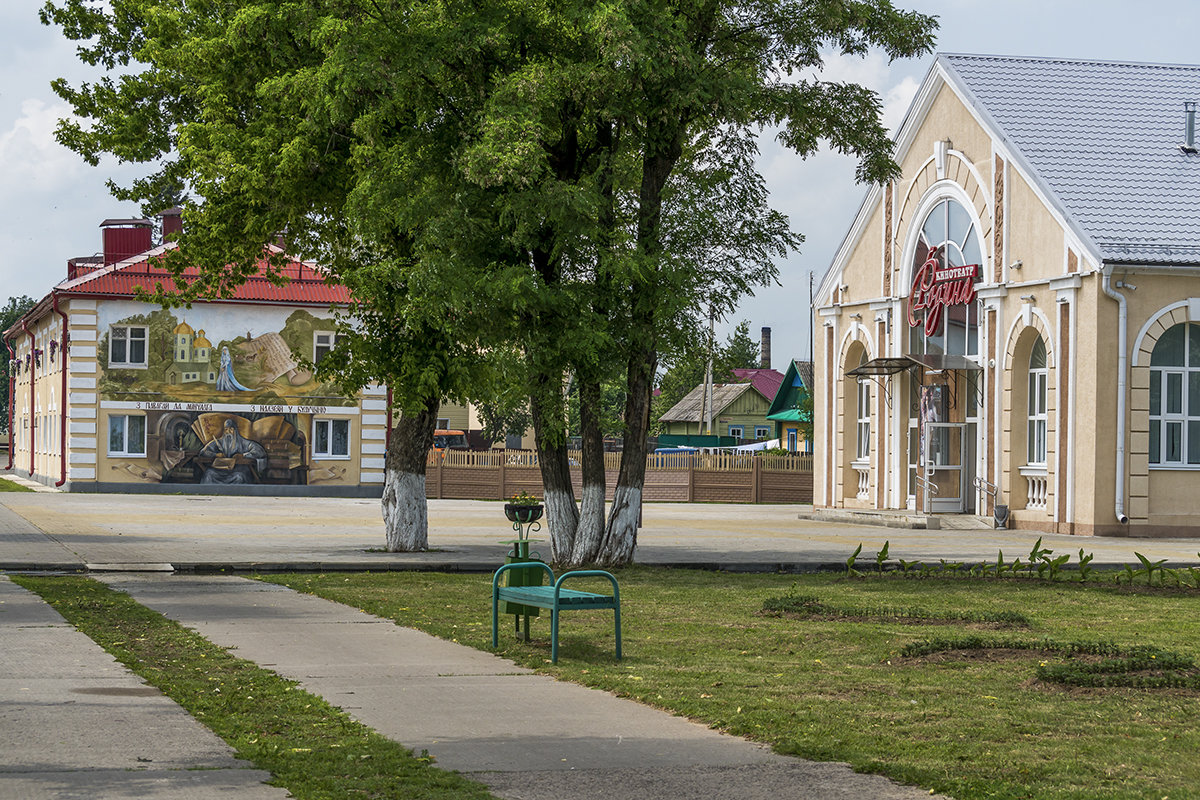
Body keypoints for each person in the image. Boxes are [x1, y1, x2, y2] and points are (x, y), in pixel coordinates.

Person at [199, 418, 267, 484]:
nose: (228, 432)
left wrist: (243, 455)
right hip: (220, 470)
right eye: (226, 429)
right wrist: (215, 455)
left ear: (235, 430)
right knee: (209, 474)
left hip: (238, 470)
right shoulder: (219, 442)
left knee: (239, 477)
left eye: (231, 429)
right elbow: (203, 452)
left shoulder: (243, 442)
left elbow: (259, 451)